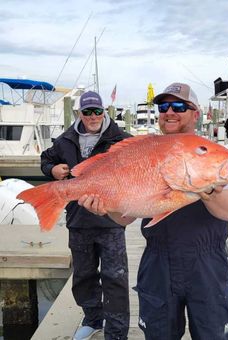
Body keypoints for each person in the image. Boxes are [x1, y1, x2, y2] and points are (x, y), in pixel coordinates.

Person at [79, 83, 228, 340]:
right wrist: (103, 208)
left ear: (196, 114)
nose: (170, 112)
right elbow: (125, 217)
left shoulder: (213, 154)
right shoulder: (144, 149)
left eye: (179, 106)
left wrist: (206, 190)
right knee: (158, 334)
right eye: (163, 106)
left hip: (207, 264)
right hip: (158, 262)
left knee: (213, 334)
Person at [40, 91, 131, 340]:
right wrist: (52, 169)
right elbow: (45, 159)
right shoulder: (65, 140)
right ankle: (92, 320)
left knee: (115, 277)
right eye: (88, 111)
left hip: (111, 221)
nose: (93, 116)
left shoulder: (120, 139)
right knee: (83, 275)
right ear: (79, 113)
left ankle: (116, 332)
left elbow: (139, 160)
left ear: (105, 112)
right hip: (78, 220)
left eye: (97, 111)